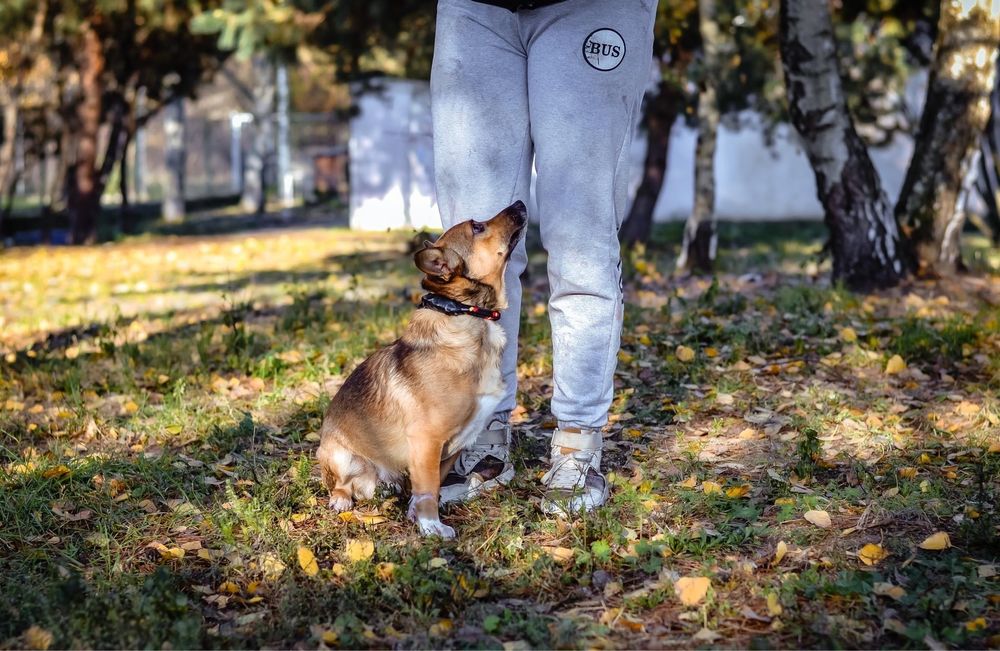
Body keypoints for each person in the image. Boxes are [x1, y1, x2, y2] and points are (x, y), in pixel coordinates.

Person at [431, 0, 657, 514]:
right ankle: (482, 438)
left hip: (589, 8)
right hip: (475, 11)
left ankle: (578, 445)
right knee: (476, 247)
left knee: (581, 238)